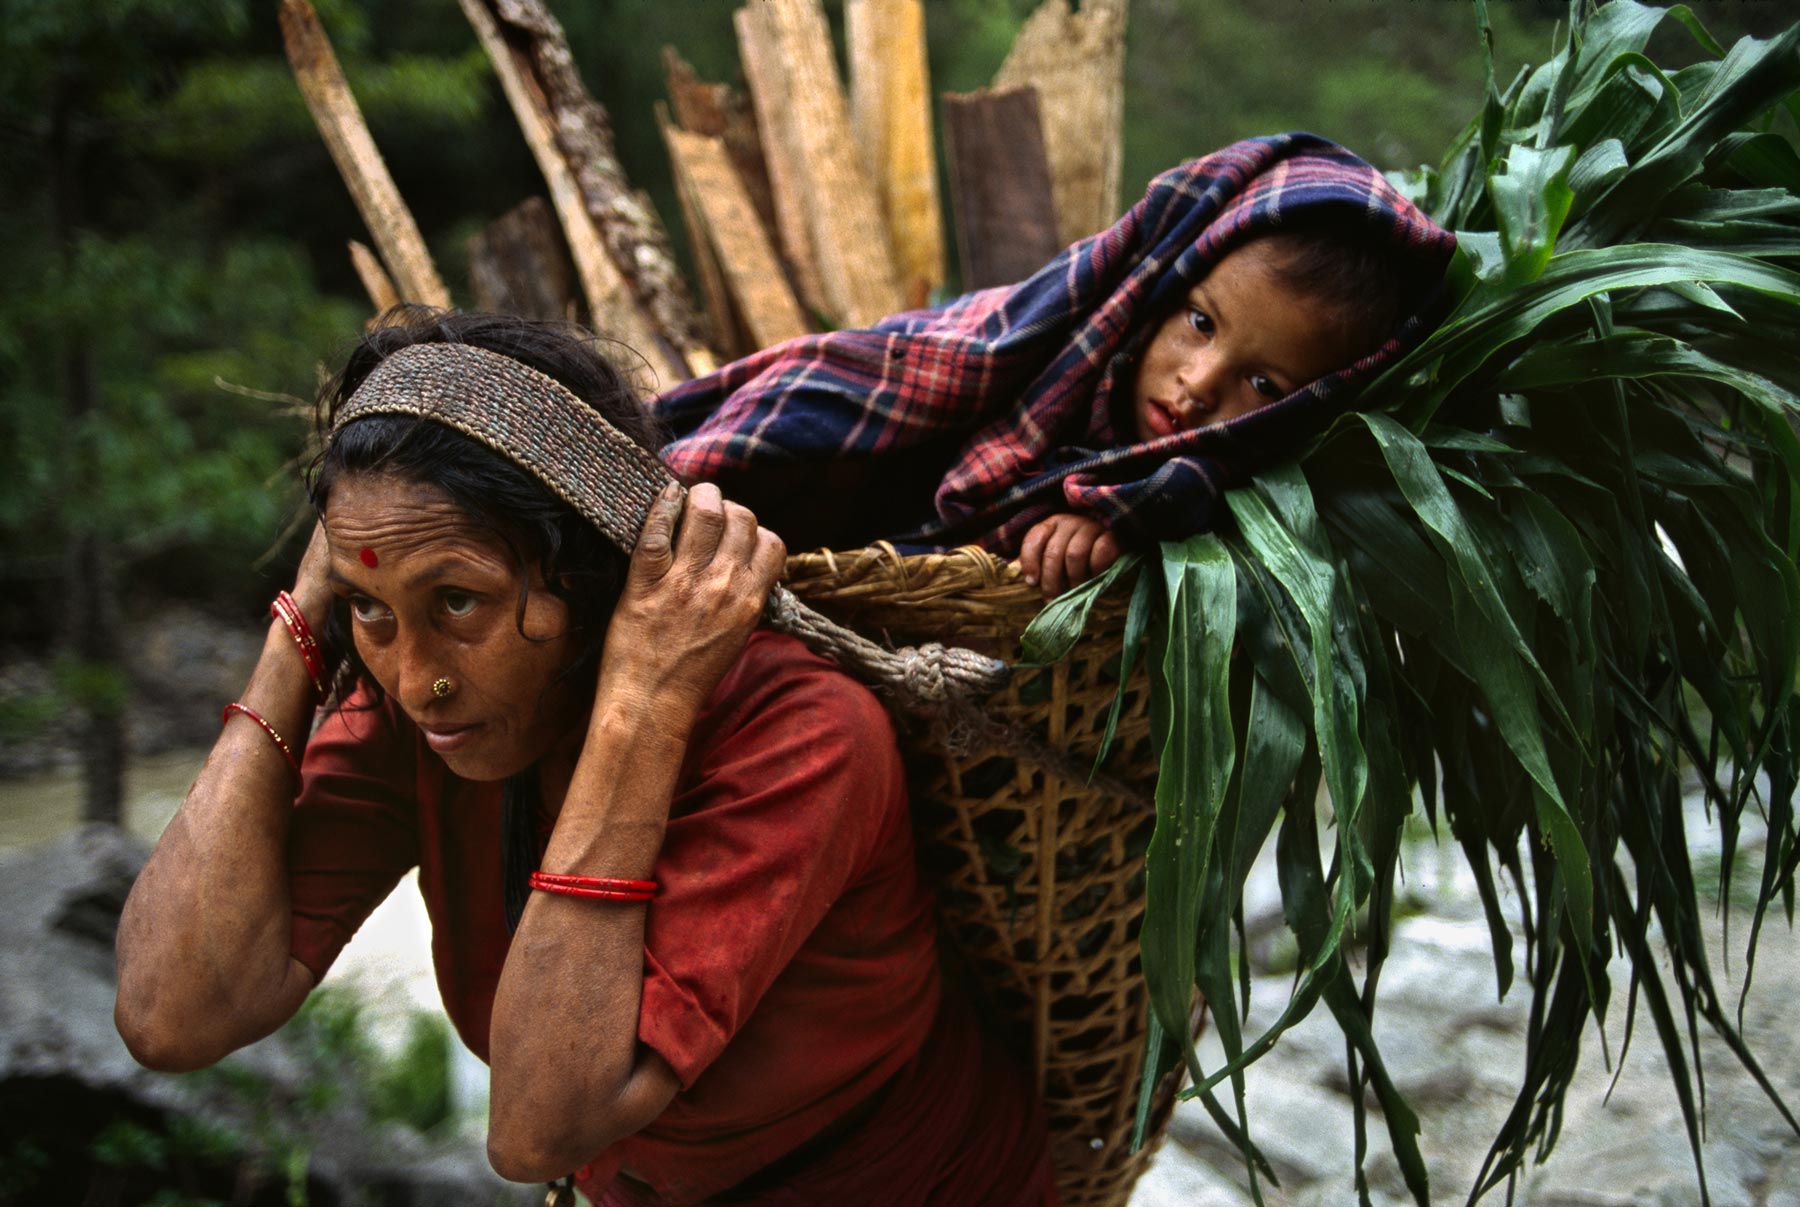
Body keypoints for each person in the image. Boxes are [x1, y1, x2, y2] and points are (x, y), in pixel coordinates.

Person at [112, 310, 1056, 1206]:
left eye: (458, 601)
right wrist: (302, 623)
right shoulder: (428, 714)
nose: (415, 676)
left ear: (586, 575)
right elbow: (171, 1011)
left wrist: (644, 697)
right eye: (376, 610)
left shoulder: (798, 730)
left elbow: (535, 1129)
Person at [652, 132, 1458, 597]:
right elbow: (872, 381)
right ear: (1162, 283)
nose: (1200, 383)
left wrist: (1107, 521)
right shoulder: (1058, 338)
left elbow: (1177, 505)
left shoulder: (1210, 497)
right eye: (1201, 322)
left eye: (1265, 385)